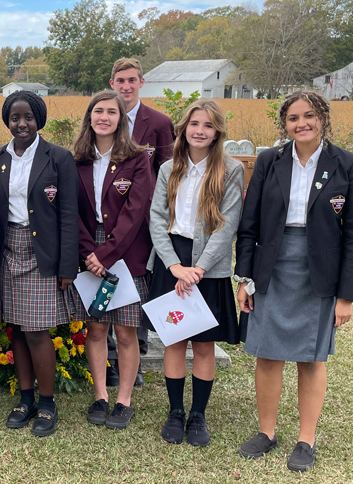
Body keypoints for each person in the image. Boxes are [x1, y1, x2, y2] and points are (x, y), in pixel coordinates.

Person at [234, 90, 353, 472]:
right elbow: (249, 226)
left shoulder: (346, 164)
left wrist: (346, 296)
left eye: (309, 115)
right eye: (293, 118)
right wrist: (245, 278)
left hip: (319, 271)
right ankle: (266, 433)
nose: (301, 123)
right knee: (268, 354)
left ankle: (306, 440)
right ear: (285, 124)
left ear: (323, 117)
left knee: (311, 358)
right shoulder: (268, 161)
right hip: (271, 266)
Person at [146, 100, 244, 447]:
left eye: (208, 125)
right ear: (184, 128)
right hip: (171, 260)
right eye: (194, 124)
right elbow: (157, 219)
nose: (200, 130)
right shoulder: (168, 168)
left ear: (217, 132)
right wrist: (174, 265)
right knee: (174, 339)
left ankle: (198, 414)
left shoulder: (230, 170)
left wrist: (198, 268)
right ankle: (175, 411)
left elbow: (227, 224)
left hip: (209, 266)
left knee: (203, 346)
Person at [0, 91, 79, 437]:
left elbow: (69, 214)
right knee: (15, 327)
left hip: (42, 252)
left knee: (37, 330)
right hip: (7, 249)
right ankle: (24, 399)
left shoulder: (58, 158)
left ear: (38, 119)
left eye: (28, 117)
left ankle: (46, 402)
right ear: (7, 120)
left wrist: (67, 266)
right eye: (15, 118)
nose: (21, 124)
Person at [71, 91, 153, 430]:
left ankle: (124, 400)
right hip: (88, 252)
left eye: (111, 112)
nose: (104, 117)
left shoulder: (137, 159)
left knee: (125, 330)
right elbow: (70, 211)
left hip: (126, 254)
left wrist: (105, 255)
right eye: (98, 111)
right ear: (90, 116)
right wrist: (89, 253)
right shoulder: (75, 159)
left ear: (121, 119)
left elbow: (135, 213)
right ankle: (101, 395)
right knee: (96, 327)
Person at [108, 57, 176, 387]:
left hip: (144, 219)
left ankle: (138, 351)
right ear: (112, 84)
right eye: (120, 80)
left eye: (132, 80)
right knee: (106, 280)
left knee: (138, 286)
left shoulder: (159, 123)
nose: (126, 86)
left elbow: (169, 173)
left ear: (141, 83)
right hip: (106, 218)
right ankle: (110, 356)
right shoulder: (103, 118)